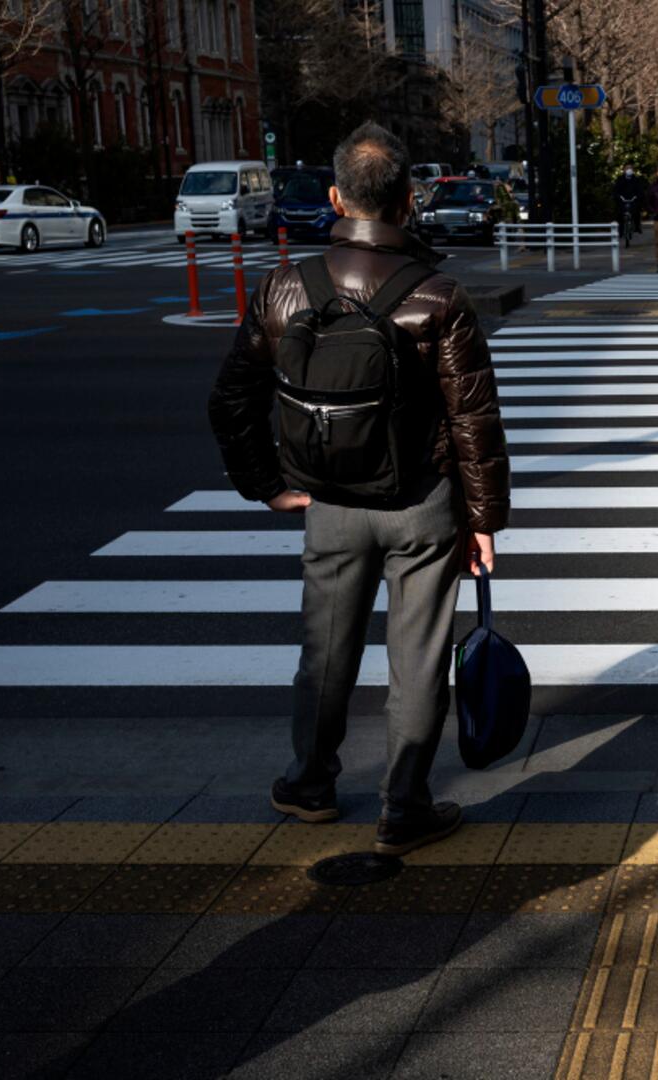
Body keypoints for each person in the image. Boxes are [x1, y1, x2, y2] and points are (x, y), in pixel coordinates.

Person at [208, 121, 510, 857]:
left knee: (326, 651)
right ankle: (403, 806)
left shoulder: (287, 285)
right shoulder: (440, 295)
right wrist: (484, 519)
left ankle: (309, 782)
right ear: (409, 201)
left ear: (340, 196)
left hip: (330, 504)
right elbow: (474, 419)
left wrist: (267, 486)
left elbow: (231, 399)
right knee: (418, 662)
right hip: (422, 504)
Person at [612, 164, 645, 239]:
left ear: (633, 170)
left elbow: (640, 190)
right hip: (622, 200)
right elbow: (615, 190)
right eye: (627, 168)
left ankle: (637, 227)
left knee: (636, 211)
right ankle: (620, 231)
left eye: (630, 168)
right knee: (619, 214)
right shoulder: (620, 179)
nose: (629, 170)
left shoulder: (636, 179)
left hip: (633, 199)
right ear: (624, 170)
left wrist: (637, 196)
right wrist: (618, 196)